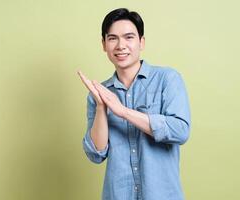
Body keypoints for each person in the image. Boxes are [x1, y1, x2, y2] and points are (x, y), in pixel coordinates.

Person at [77, 8, 191, 200]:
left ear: (141, 42)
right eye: (112, 38)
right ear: (104, 44)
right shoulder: (99, 94)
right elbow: (96, 154)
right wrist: (101, 108)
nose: (121, 45)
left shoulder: (167, 79)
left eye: (129, 37)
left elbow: (180, 130)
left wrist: (122, 111)